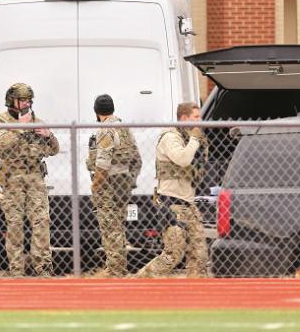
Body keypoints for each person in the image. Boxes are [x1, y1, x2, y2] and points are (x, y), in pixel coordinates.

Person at [0, 82, 59, 277]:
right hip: (12, 180)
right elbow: (1, 145)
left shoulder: (36, 121)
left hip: (35, 179)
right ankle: (17, 270)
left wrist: (49, 135)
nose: (27, 104)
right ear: (12, 101)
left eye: (29, 100)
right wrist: (22, 128)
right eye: (23, 100)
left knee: (41, 222)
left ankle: (43, 268)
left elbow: (54, 150)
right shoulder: (1, 123)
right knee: (15, 225)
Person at [136, 102, 209, 278]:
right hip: (172, 204)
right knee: (173, 255)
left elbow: (199, 166)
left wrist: (199, 143)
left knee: (200, 255)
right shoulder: (171, 137)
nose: (200, 120)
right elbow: (182, 159)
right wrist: (195, 139)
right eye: (196, 117)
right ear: (184, 118)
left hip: (189, 204)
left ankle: (197, 292)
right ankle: (140, 280)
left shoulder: (188, 137)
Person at [86, 94, 142, 277]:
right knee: (119, 226)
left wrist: (95, 187)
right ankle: (119, 267)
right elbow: (137, 160)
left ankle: (115, 270)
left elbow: (102, 165)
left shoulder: (105, 130)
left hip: (108, 185)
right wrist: (129, 180)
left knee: (110, 228)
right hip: (123, 183)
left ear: (96, 111)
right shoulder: (124, 128)